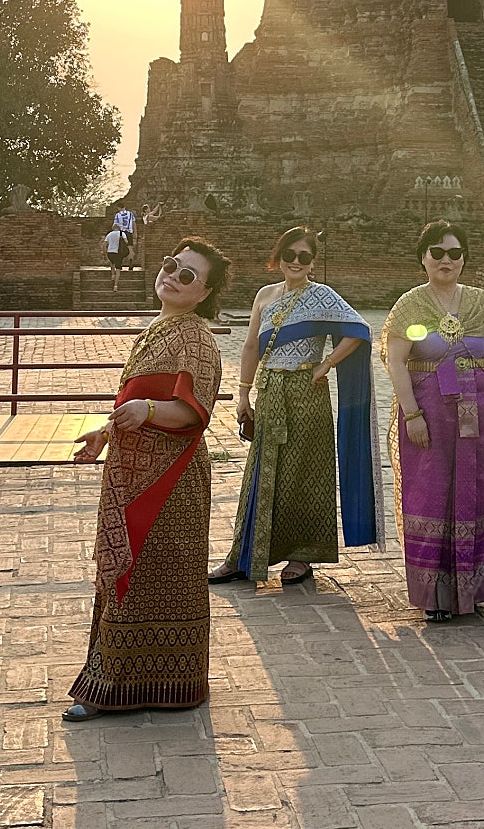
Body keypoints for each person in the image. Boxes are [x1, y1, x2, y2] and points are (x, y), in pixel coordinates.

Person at [63, 237, 229, 718]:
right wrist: (104, 432)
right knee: (125, 576)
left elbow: (192, 411)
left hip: (171, 479)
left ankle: (168, 680)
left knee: (159, 576)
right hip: (130, 471)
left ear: (204, 293)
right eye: (172, 265)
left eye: (188, 276)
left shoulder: (196, 337)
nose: (173, 277)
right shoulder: (156, 329)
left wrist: (148, 409)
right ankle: (111, 677)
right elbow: (133, 405)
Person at [210, 227, 383, 589]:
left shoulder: (321, 296)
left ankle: (301, 555)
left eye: (304, 257)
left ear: (313, 262)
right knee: (261, 471)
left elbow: (359, 330)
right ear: (279, 256)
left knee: (304, 473)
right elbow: (250, 349)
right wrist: (242, 394)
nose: (296, 262)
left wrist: (327, 363)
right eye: (290, 254)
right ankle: (243, 555)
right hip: (270, 390)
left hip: (307, 393)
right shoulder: (265, 295)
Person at [381, 221, 484, 622]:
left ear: (464, 259)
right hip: (431, 412)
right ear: (423, 257)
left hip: (482, 412)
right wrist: (412, 414)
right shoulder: (410, 304)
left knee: (480, 486)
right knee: (431, 491)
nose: (446, 260)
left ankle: (477, 587)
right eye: (437, 253)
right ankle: (435, 594)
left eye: (454, 253)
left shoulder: (480, 302)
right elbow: (395, 360)